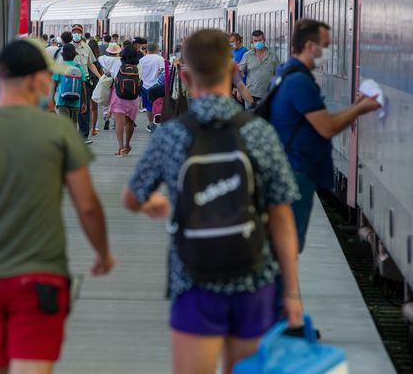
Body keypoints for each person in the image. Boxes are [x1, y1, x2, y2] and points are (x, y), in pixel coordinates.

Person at [123, 29, 303, 374]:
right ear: (235, 73)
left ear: (186, 77)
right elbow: (282, 218)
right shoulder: (259, 133)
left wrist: (152, 205)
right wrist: (291, 295)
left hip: (193, 279)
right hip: (254, 279)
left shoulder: (172, 134)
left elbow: (132, 197)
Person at [0, 38, 115, 374]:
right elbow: (88, 206)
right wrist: (103, 254)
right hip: (41, 278)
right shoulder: (57, 130)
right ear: (37, 80)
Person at [268, 19, 380, 251]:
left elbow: (319, 119)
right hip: (295, 172)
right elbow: (326, 127)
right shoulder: (300, 82)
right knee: (289, 245)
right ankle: (284, 288)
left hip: (288, 168)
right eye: (326, 45)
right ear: (310, 46)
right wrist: (359, 109)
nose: (329, 51)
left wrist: (353, 107)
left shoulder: (286, 73)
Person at [71, 25, 102, 144]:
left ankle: (83, 135)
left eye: (78, 32)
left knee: (85, 108)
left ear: (82, 33)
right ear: (71, 33)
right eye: (74, 32)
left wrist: (99, 77)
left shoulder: (86, 48)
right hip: (71, 81)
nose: (76, 34)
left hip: (85, 81)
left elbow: (90, 64)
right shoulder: (68, 47)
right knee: (73, 108)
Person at [108, 46, 141, 157]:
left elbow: (112, 77)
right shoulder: (139, 65)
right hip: (133, 97)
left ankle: (121, 147)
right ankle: (127, 145)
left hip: (118, 96)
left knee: (119, 123)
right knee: (130, 122)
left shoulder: (118, 64)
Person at [238, 30, 280, 103]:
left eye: (260, 40)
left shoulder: (273, 56)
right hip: (250, 94)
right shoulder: (247, 56)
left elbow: (278, 74)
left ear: (264, 40)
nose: (258, 42)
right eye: (255, 41)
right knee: (250, 114)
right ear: (252, 42)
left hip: (268, 94)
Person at [53, 43, 87, 129]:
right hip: (76, 102)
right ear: (75, 54)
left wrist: (51, 100)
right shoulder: (79, 67)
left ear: (62, 54)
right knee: (73, 126)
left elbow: (54, 86)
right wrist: (85, 103)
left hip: (62, 101)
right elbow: (83, 88)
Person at [139, 42, 165, 133]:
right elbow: (162, 71)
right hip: (157, 85)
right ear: (156, 49)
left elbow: (140, 72)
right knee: (158, 104)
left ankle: (151, 123)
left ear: (147, 49)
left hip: (145, 86)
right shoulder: (160, 58)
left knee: (148, 107)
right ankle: (157, 121)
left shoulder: (142, 59)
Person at [98, 42, 123, 131]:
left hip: (105, 81)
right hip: (115, 82)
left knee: (106, 101)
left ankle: (106, 117)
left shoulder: (102, 58)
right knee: (115, 101)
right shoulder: (120, 60)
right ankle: (115, 121)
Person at [87, 39, 103, 136]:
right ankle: (93, 128)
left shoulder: (86, 57)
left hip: (86, 82)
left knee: (85, 107)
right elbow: (101, 73)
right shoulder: (98, 59)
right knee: (94, 108)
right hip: (96, 83)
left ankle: (86, 126)